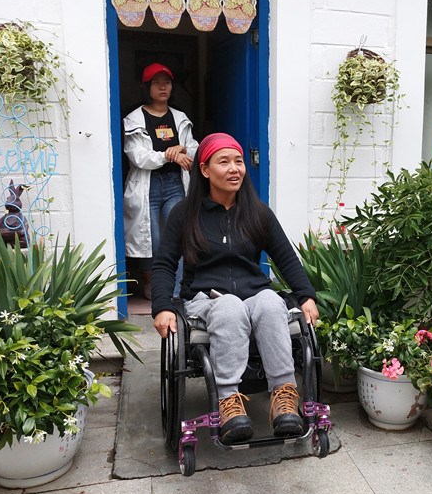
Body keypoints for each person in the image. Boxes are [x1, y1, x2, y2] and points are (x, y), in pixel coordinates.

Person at [152, 133, 319, 445]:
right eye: (224, 162)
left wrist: (307, 296)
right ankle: (228, 401)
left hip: (254, 293)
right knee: (229, 306)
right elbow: (163, 263)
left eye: (239, 162)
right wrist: (162, 305)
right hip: (205, 299)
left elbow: (286, 258)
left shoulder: (258, 213)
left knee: (271, 302)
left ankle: (284, 396)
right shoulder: (185, 214)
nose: (234, 169)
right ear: (204, 170)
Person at [123, 63, 198, 299]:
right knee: (152, 239)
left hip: (175, 184)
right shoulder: (134, 118)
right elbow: (138, 157)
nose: (162, 86)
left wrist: (183, 148)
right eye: (156, 82)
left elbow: (194, 149)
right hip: (148, 186)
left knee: (178, 235)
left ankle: (175, 291)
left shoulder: (180, 117)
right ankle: (152, 284)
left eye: (166, 81)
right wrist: (169, 154)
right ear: (146, 87)